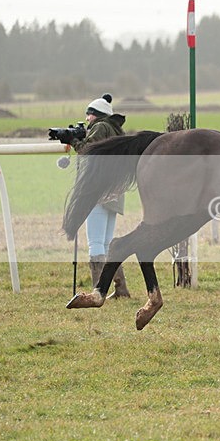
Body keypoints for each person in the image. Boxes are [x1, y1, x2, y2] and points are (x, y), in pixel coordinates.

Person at [71, 94, 131, 297]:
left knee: (96, 243)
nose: (87, 118)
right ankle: (120, 288)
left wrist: (74, 142)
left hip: (97, 191)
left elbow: (89, 150)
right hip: (115, 191)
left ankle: (98, 291)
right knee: (106, 243)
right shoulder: (116, 130)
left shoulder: (100, 127)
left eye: (89, 114)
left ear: (96, 115)